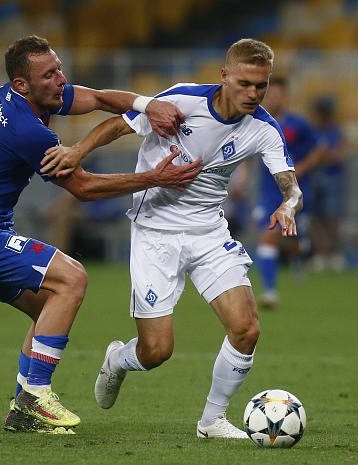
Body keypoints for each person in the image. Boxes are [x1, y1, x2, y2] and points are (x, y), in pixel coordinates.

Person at [0, 35, 201, 435]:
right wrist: (155, 178)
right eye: (50, 74)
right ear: (22, 84)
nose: (61, 79)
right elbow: (83, 188)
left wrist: (148, 104)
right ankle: (36, 395)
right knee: (72, 277)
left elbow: (96, 98)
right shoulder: (27, 130)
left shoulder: (27, 96)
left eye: (59, 68)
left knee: (49, 309)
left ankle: (23, 410)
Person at [41, 39, 303, 438]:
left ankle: (211, 420)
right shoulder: (182, 100)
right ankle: (118, 359)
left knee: (246, 328)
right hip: (155, 233)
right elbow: (120, 122)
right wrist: (77, 151)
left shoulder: (263, 128)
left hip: (209, 233)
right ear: (224, 76)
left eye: (261, 86)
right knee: (156, 352)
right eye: (245, 83)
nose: (253, 93)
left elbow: (291, 185)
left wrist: (288, 204)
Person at [253, 76, 327, 308]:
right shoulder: (256, 121)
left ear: (285, 96)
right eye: (270, 94)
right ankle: (269, 292)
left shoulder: (298, 124)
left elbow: (322, 147)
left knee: (291, 239)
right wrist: (241, 175)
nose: (274, 98)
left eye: (278, 94)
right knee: (268, 236)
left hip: (294, 192)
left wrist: (301, 169)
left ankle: (300, 253)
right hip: (268, 192)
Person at [309, 96, 346, 272]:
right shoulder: (312, 131)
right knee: (316, 219)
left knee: (331, 219)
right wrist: (322, 157)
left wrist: (320, 157)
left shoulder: (334, 131)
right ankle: (320, 254)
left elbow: (339, 156)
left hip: (330, 179)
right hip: (314, 178)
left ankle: (334, 254)